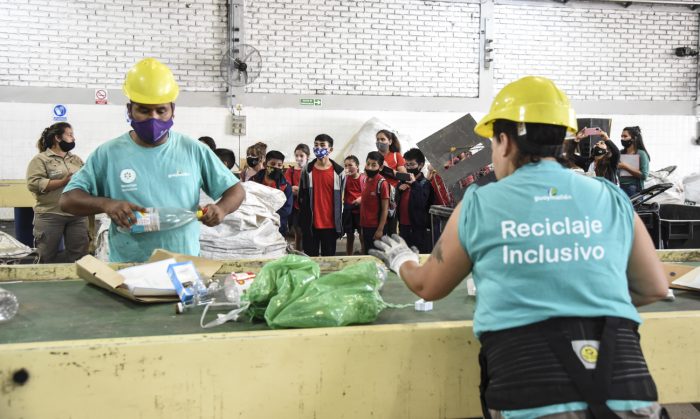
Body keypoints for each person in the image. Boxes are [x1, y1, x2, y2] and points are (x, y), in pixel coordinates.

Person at [370, 76, 668, 419]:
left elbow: (428, 286)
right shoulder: (611, 196)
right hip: (627, 391)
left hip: (533, 393)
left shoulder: (481, 203)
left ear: (504, 141)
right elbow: (654, 287)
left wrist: (402, 258)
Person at [59, 58, 245, 262]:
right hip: (128, 265)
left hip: (182, 264)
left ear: (173, 110)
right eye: (144, 110)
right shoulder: (108, 154)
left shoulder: (193, 150)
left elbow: (235, 190)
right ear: (130, 110)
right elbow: (68, 200)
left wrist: (222, 209)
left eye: (161, 110)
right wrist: (106, 204)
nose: (153, 118)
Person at [26, 122, 89, 263]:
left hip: (77, 215)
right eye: (70, 135)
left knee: (80, 258)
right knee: (46, 256)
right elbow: (34, 184)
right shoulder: (41, 159)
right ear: (58, 138)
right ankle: (43, 285)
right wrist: (63, 182)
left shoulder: (76, 159)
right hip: (50, 214)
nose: (74, 138)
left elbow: (88, 179)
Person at [298, 134, 345, 256]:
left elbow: (340, 198)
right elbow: (301, 196)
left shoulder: (339, 173)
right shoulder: (307, 170)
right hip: (311, 224)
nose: (318, 148)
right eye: (316, 145)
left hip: (330, 225)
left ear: (331, 149)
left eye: (322, 145)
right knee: (310, 259)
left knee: (329, 261)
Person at [397, 148, 434, 254]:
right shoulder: (403, 182)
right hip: (403, 227)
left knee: (418, 256)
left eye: (412, 164)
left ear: (421, 165)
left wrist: (414, 184)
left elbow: (421, 203)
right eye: (406, 165)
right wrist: (399, 190)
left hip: (417, 229)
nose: (408, 168)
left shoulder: (425, 184)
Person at [251, 150, 293, 235]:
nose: (276, 167)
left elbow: (287, 210)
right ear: (265, 164)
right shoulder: (253, 181)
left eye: (279, 165)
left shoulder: (286, 186)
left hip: (277, 227)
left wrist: (268, 216)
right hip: (255, 224)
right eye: (272, 164)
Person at [376, 129, 405, 235]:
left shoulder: (396, 156)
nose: (380, 142)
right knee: (377, 221)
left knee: (391, 222)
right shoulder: (374, 156)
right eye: (378, 139)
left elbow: (404, 176)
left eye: (383, 139)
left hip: (392, 193)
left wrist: (388, 169)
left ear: (390, 141)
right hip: (377, 192)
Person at [360, 151, 390, 254]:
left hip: (376, 227)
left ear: (380, 167)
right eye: (368, 164)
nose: (370, 167)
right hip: (365, 226)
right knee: (367, 253)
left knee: (377, 257)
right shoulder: (364, 180)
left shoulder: (382, 183)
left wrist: (380, 230)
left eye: (374, 165)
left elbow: (385, 209)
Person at [285, 143, 309, 250]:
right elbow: (288, 188)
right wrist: (297, 189)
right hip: (295, 206)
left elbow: (311, 190)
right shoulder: (291, 171)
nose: (298, 158)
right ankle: (298, 251)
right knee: (298, 231)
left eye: (301, 156)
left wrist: (298, 189)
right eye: (297, 155)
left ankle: (308, 252)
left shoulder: (310, 170)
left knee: (307, 231)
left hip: (308, 206)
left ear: (307, 156)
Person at [342, 155, 365, 255]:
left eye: (350, 165)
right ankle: (348, 256)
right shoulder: (345, 178)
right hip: (348, 211)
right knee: (349, 236)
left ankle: (364, 253)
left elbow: (368, 193)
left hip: (360, 211)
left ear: (357, 166)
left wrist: (361, 199)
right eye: (346, 165)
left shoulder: (363, 178)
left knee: (362, 235)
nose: (348, 168)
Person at [618, 126, 650, 197]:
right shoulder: (620, 153)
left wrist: (625, 166)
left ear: (634, 138)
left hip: (634, 189)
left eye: (625, 136)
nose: (622, 138)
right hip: (621, 188)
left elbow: (644, 175)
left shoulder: (641, 154)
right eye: (621, 136)